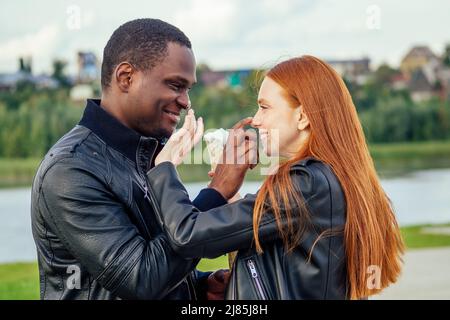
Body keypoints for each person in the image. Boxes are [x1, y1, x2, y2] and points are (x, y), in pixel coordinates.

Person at [148, 55, 405, 299]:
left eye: (264, 107)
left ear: (303, 116)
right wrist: (230, 192)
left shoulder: (305, 183)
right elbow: (277, 248)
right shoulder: (327, 178)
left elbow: (187, 235)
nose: (256, 120)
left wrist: (164, 166)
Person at [30, 18, 252, 300]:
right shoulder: (70, 170)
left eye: (188, 89)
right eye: (175, 85)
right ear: (125, 77)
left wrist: (198, 285)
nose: (185, 102)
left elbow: (155, 251)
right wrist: (217, 191)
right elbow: (141, 278)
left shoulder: (148, 156)